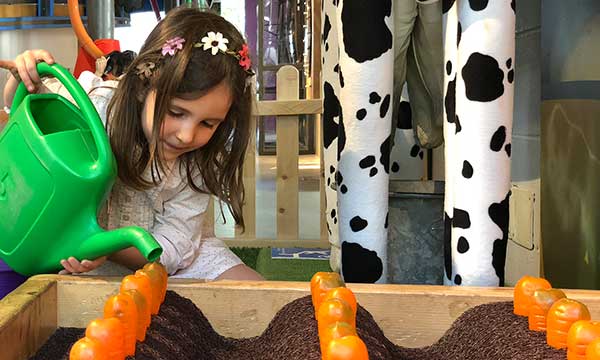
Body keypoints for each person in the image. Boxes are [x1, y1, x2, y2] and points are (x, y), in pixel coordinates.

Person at [2, 7, 263, 281]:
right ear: (142, 88)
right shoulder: (97, 105)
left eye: (208, 123)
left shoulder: (197, 159)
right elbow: (20, 106)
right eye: (176, 112)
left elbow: (174, 246)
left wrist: (109, 247)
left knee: (255, 290)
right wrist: (23, 74)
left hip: (154, 257)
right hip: (77, 254)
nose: (187, 135)